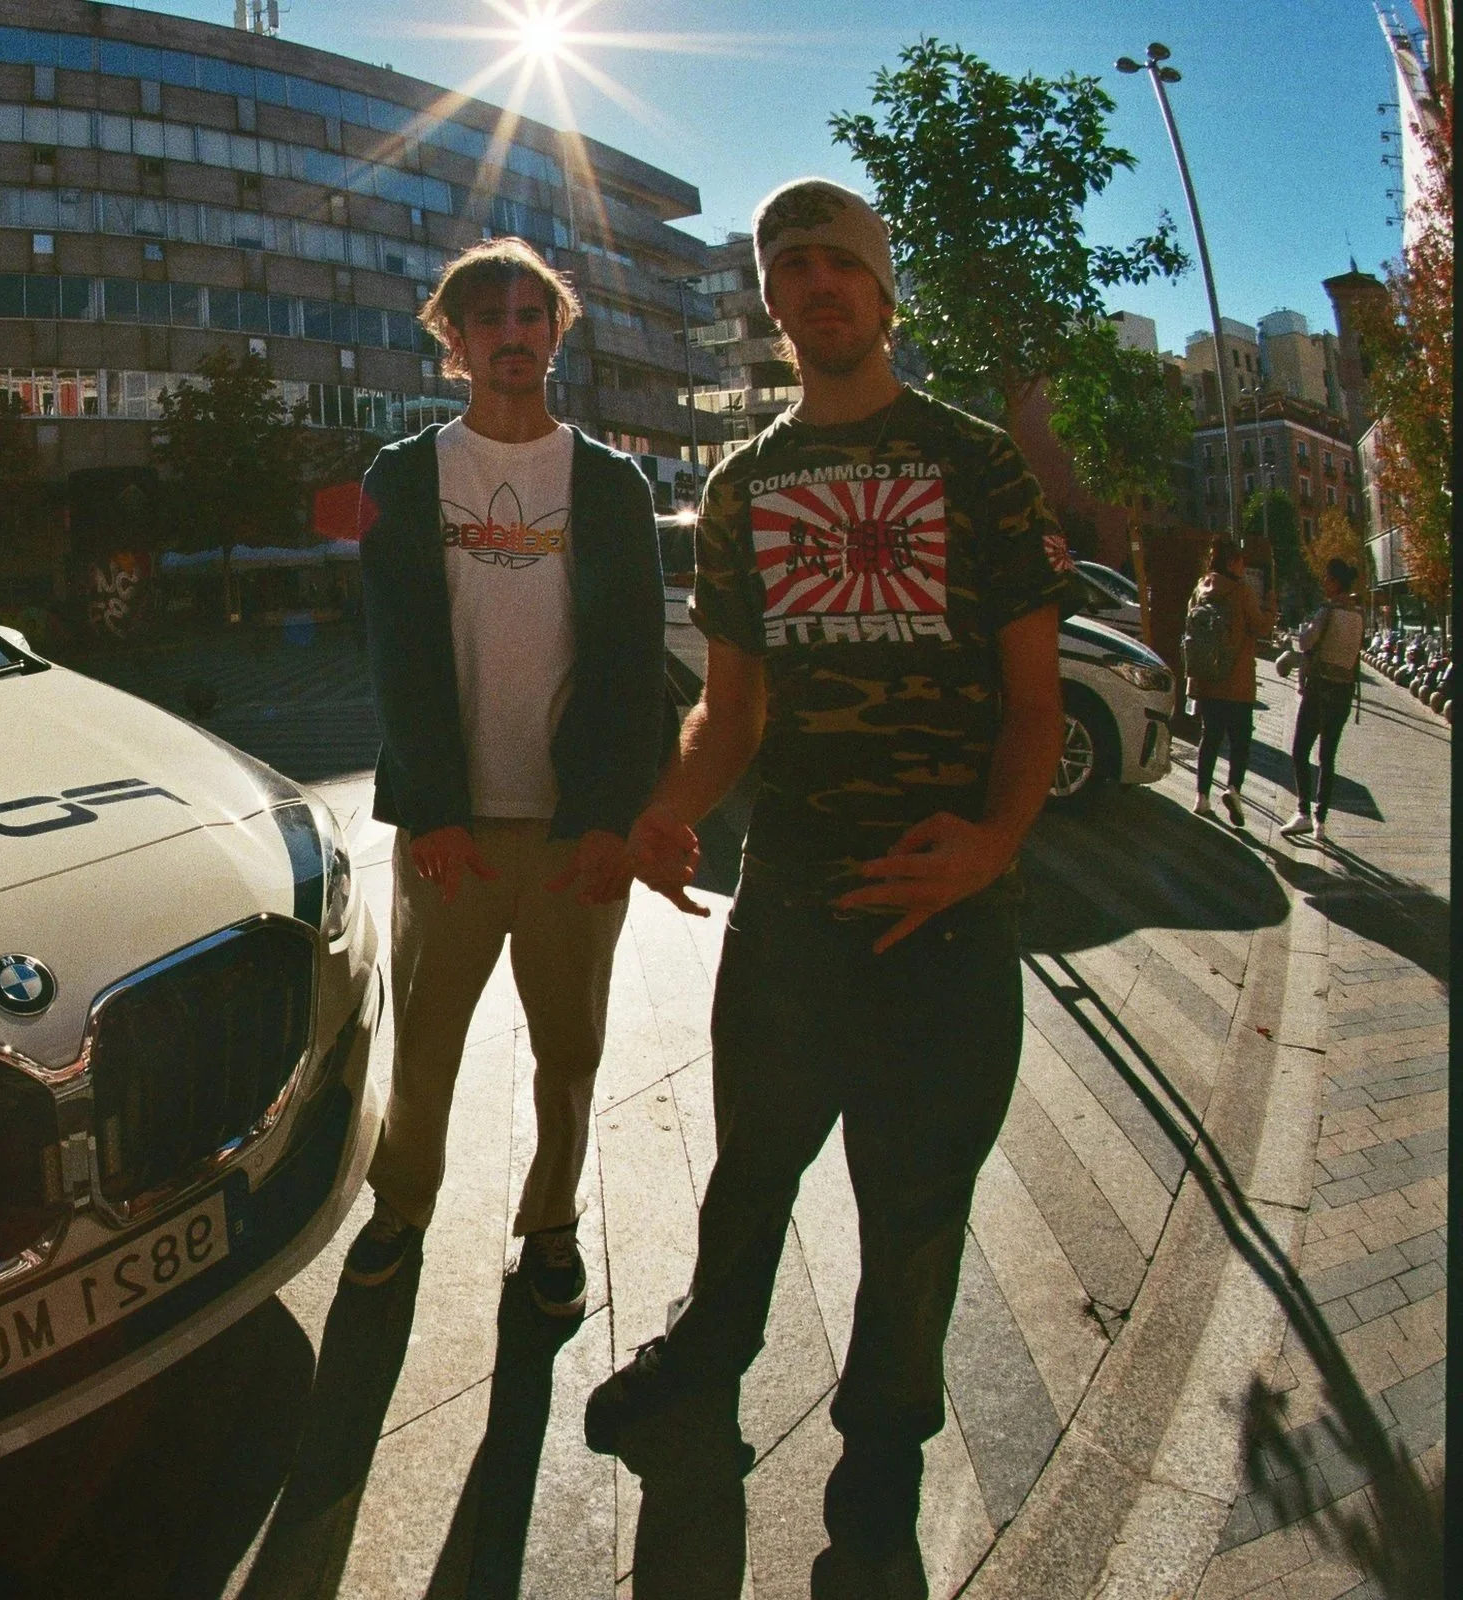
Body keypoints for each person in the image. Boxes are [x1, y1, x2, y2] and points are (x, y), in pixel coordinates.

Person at [580, 178, 1078, 1598]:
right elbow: (729, 713)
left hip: (949, 909)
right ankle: (708, 1365)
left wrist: (992, 844)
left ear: (882, 289)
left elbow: (1037, 707)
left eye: (839, 261)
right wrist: (668, 814)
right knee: (751, 1175)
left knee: (916, 1209)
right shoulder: (744, 487)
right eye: (788, 265)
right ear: (771, 297)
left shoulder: (978, 468)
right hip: (795, 902)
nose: (815, 284)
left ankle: (884, 1451)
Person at [344, 235, 675, 1318]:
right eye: (489, 319)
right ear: (454, 340)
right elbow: (394, 652)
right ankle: (401, 1209)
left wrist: (612, 817)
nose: (513, 335)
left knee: (568, 1049)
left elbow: (634, 665)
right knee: (427, 1045)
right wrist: (430, 807)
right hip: (453, 834)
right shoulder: (401, 477)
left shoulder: (609, 483)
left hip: (576, 832)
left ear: (556, 334)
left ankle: (551, 1225)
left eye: (532, 317)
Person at [1185, 538, 1272, 828]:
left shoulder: (1200, 589)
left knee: (1209, 739)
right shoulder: (1241, 592)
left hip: (1208, 679)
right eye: (1240, 560)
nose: (1244, 565)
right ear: (1232, 562)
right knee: (1240, 742)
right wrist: (1271, 608)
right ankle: (1233, 789)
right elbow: (1260, 628)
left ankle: (1201, 797)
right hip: (1238, 681)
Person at [1281, 556, 1365, 841]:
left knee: (1300, 751)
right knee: (1327, 757)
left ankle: (1303, 812)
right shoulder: (1358, 615)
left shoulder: (1327, 611)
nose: (1324, 582)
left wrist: (1305, 628)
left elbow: (1306, 642)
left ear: (1337, 582)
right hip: (1343, 692)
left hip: (1319, 689)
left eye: (1328, 578)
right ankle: (1321, 821)